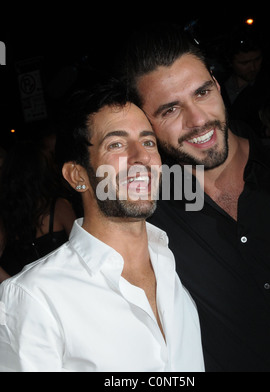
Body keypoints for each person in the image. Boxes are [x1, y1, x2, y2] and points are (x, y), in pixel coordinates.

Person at [121, 24, 270, 372]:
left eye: (202, 93)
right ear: (146, 126)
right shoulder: (148, 215)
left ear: (218, 86)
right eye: (170, 110)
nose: (198, 120)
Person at [0, 81, 205, 372]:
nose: (141, 158)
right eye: (117, 144)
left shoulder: (173, 264)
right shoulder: (35, 298)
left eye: (148, 142)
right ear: (77, 175)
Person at [0, 141, 76, 283]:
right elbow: (82, 248)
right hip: (63, 288)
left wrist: (13, 285)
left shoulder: (7, 214)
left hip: (32, 296)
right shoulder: (59, 206)